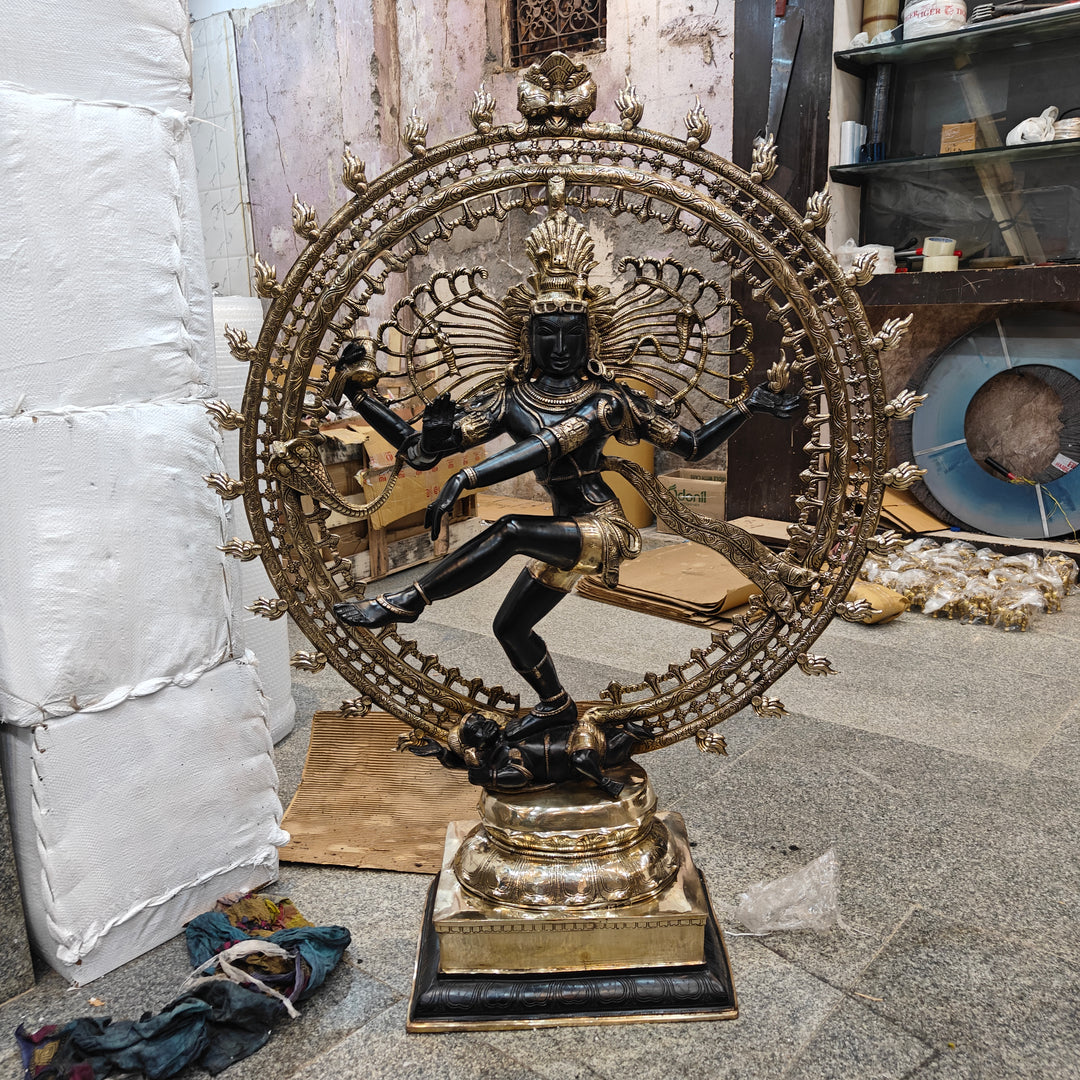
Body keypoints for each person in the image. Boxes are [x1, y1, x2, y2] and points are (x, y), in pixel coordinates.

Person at [331, 197, 799, 743]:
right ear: (525, 338)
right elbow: (418, 450)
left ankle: (409, 601)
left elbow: (679, 445)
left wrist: (748, 406)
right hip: (563, 531)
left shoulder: (605, 401)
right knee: (510, 627)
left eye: (571, 334)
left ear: (591, 338)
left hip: (603, 526)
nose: (558, 347)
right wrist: (361, 397)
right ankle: (555, 706)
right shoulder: (510, 398)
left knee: (509, 530)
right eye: (546, 334)